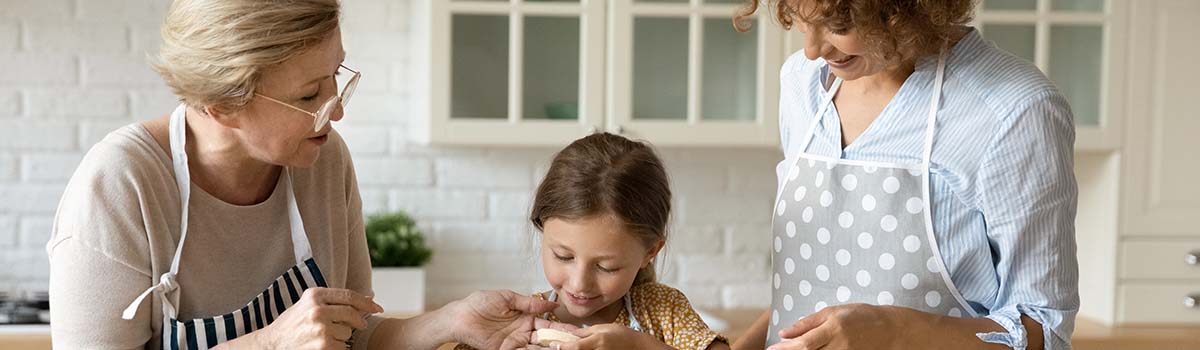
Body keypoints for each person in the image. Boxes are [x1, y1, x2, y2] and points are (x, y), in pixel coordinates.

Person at [46, 0, 570, 349]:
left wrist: (450, 320)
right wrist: (268, 342)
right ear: (221, 105)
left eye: (335, 78)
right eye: (307, 95)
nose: (335, 111)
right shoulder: (121, 185)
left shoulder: (323, 161)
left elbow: (355, 335)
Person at [729, 1, 1079, 349]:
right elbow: (806, 289)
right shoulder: (801, 84)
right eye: (801, 20)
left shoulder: (1014, 110)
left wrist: (895, 331)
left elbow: (1043, 329)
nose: (811, 50)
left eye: (838, 24)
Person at [465, 133, 729, 350]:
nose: (580, 284)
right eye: (563, 256)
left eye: (606, 267)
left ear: (650, 251)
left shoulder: (663, 311)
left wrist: (640, 346)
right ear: (542, 228)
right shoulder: (516, 324)